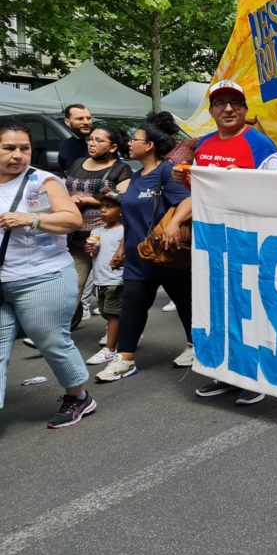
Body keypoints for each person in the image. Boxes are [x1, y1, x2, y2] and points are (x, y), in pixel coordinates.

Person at [183, 80, 277, 400]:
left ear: (245, 109)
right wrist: (185, 185)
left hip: (248, 242)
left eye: (235, 103)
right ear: (211, 111)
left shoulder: (261, 145)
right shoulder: (204, 146)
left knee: (248, 309)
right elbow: (201, 195)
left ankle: (254, 378)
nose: (228, 108)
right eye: (220, 103)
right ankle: (226, 372)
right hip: (211, 243)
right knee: (217, 309)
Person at [0, 119, 96, 428]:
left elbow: (71, 219)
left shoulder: (41, 182)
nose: (18, 155)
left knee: (50, 340)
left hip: (43, 276)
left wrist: (30, 219)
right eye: (9, 148)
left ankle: (79, 397)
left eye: (24, 148)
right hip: (2, 279)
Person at [96, 113, 193, 383]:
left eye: (135, 139)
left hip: (166, 254)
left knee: (186, 304)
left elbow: (187, 202)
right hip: (139, 257)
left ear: (149, 145)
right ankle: (125, 359)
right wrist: (121, 249)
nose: (129, 143)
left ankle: (194, 346)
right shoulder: (137, 177)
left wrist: (173, 225)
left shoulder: (165, 172)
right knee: (132, 305)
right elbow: (130, 218)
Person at [64, 126, 132, 315]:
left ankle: (116, 334)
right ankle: (55, 333)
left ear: (113, 147)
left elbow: (121, 196)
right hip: (76, 237)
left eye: (99, 141)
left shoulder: (121, 168)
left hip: (106, 238)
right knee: (71, 288)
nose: (92, 143)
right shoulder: (78, 163)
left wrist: (87, 199)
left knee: (110, 288)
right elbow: (66, 188)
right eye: (90, 139)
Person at [84, 190, 124, 365]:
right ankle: (125, 333)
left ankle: (110, 349)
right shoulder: (96, 230)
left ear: (121, 211)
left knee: (113, 314)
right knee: (107, 312)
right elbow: (94, 251)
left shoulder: (124, 230)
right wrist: (91, 249)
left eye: (109, 207)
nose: (103, 210)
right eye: (101, 206)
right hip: (100, 279)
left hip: (116, 279)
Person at [57, 104, 93, 173]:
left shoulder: (103, 142)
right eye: (80, 119)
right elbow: (63, 171)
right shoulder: (64, 145)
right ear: (67, 122)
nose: (86, 122)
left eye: (89, 118)